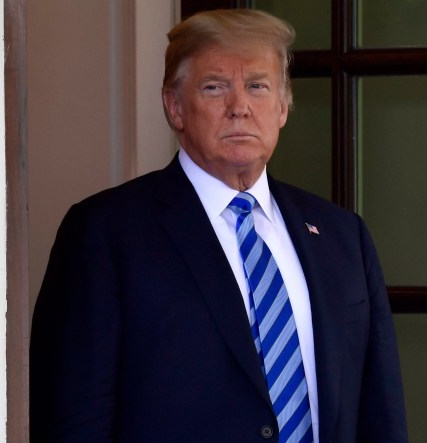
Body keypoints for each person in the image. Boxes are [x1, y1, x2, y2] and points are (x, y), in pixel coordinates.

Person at [30, 9, 407, 443]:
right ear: (175, 107)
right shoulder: (104, 234)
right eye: (215, 88)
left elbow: (381, 414)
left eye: (257, 87)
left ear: (283, 107)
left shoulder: (343, 236)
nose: (239, 108)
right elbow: (73, 420)